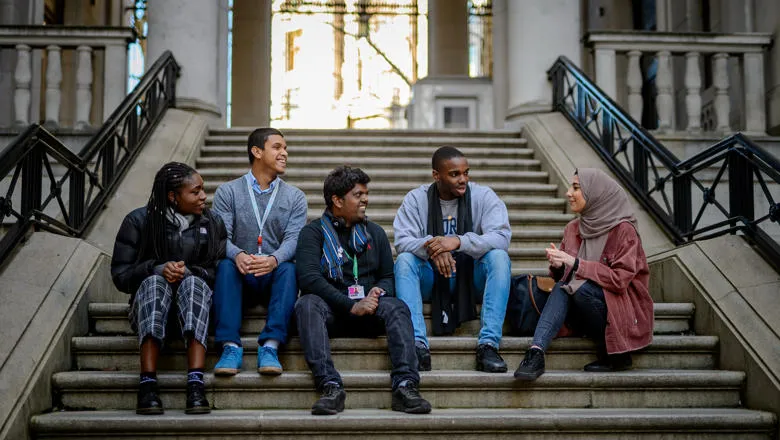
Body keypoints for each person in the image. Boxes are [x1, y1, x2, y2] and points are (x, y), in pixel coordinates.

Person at [294, 166, 431, 415]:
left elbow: (388, 276)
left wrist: (378, 292)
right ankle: (330, 386)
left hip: (371, 311)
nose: (365, 199)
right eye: (358, 195)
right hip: (333, 312)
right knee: (307, 304)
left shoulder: (374, 233)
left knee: (397, 307)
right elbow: (309, 279)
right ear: (337, 200)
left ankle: (405, 385)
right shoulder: (312, 234)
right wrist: (350, 304)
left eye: (366, 194)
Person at [513, 168, 654, 381]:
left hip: (619, 312)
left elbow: (619, 280)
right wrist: (559, 265)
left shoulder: (623, 230)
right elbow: (567, 275)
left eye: (576, 187)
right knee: (564, 286)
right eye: (571, 187)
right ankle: (536, 352)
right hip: (582, 309)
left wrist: (576, 263)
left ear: (597, 193)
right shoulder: (573, 228)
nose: (568, 192)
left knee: (580, 288)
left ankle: (617, 355)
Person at [111, 162, 227, 415]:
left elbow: (222, 271)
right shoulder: (139, 221)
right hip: (151, 311)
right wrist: (155, 268)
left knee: (194, 283)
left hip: (197, 310)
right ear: (173, 197)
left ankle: (196, 384)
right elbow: (120, 275)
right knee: (154, 283)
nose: (203, 196)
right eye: (194, 192)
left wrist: (190, 273)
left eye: (202, 189)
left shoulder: (213, 222)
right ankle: (148, 384)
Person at [393, 146, 512, 373]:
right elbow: (401, 241)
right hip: (433, 278)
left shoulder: (483, 196)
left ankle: (488, 345)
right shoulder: (416, 199)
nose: (463, 179)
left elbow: (502, 237)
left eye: (466, 173)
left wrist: (458, 241)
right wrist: (435, 247)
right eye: (454, 174)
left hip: (471, 278)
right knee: (404, 261)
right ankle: (417, 345)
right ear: (436, 175)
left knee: (499, 257)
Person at [210, 127, 307, 376]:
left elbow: (294, 239)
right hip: (241, 273)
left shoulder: (295, 197)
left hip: (274, 274)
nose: (284, 153)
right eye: (277, 147)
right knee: (225, 265)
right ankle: (230, 347)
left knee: (289, 267)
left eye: (285, 148)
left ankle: (271, 346)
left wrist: (274, 259)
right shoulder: (227, 192)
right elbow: (221, 238)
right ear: (257, 151)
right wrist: (239, 255)